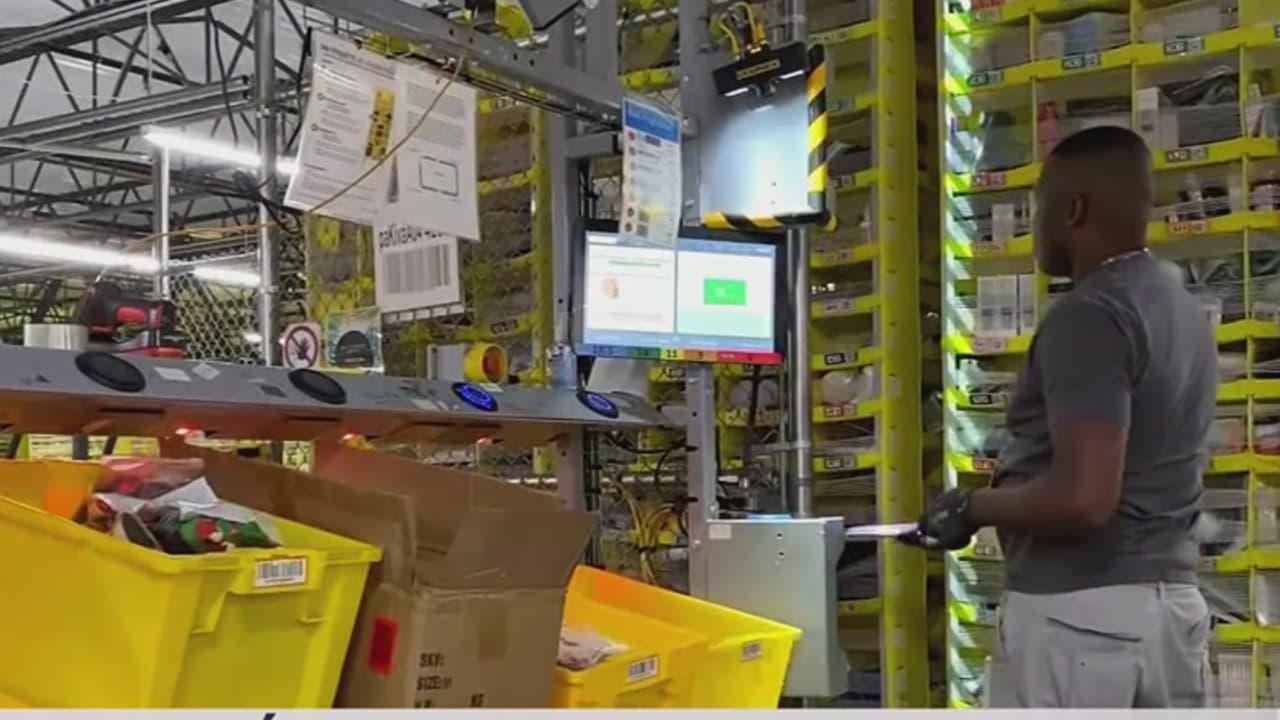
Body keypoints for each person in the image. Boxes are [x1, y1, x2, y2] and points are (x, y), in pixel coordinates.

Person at [914, 125, 1218, 707]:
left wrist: (971, 507)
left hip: (1082, 621)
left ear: (1072, 209)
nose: (1035, 225)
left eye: (1040, 207)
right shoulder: (1180, 307)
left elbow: (1084, 498)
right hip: (1174, 615)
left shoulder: (1091, 313)